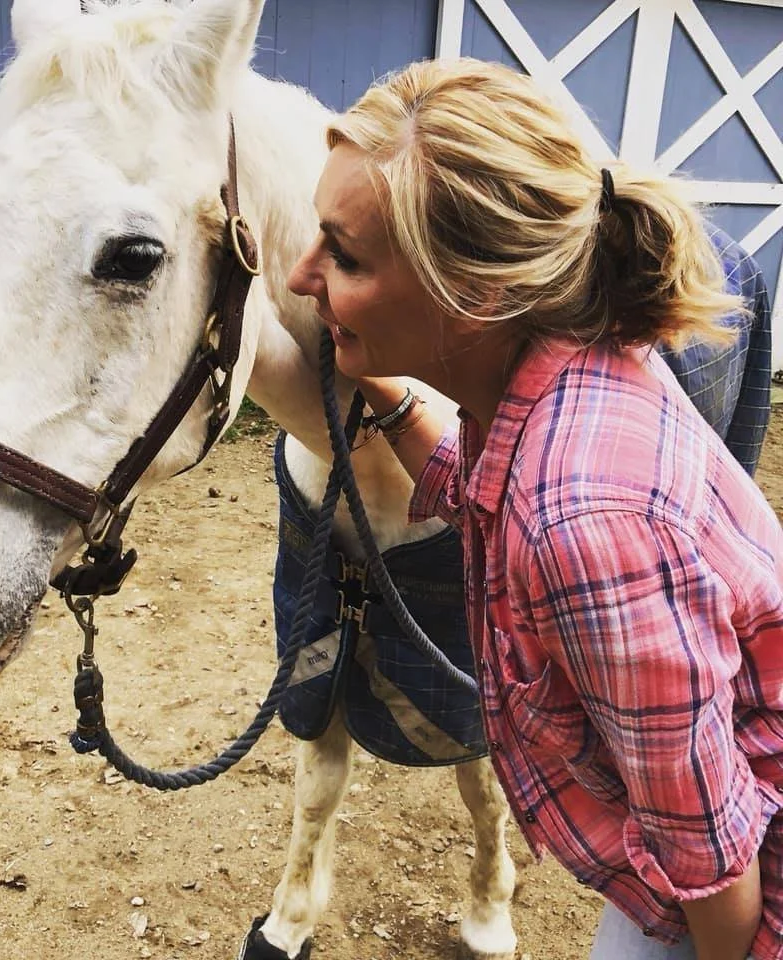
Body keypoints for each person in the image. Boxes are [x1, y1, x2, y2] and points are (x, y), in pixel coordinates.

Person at [286, 57, 781, 960]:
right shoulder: (561, 368)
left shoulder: (583, 527)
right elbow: (488, 493)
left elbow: (712, 860)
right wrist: (390, 400)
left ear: (474, 294)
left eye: (344, 256)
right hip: (687, 854)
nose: (298, 275)